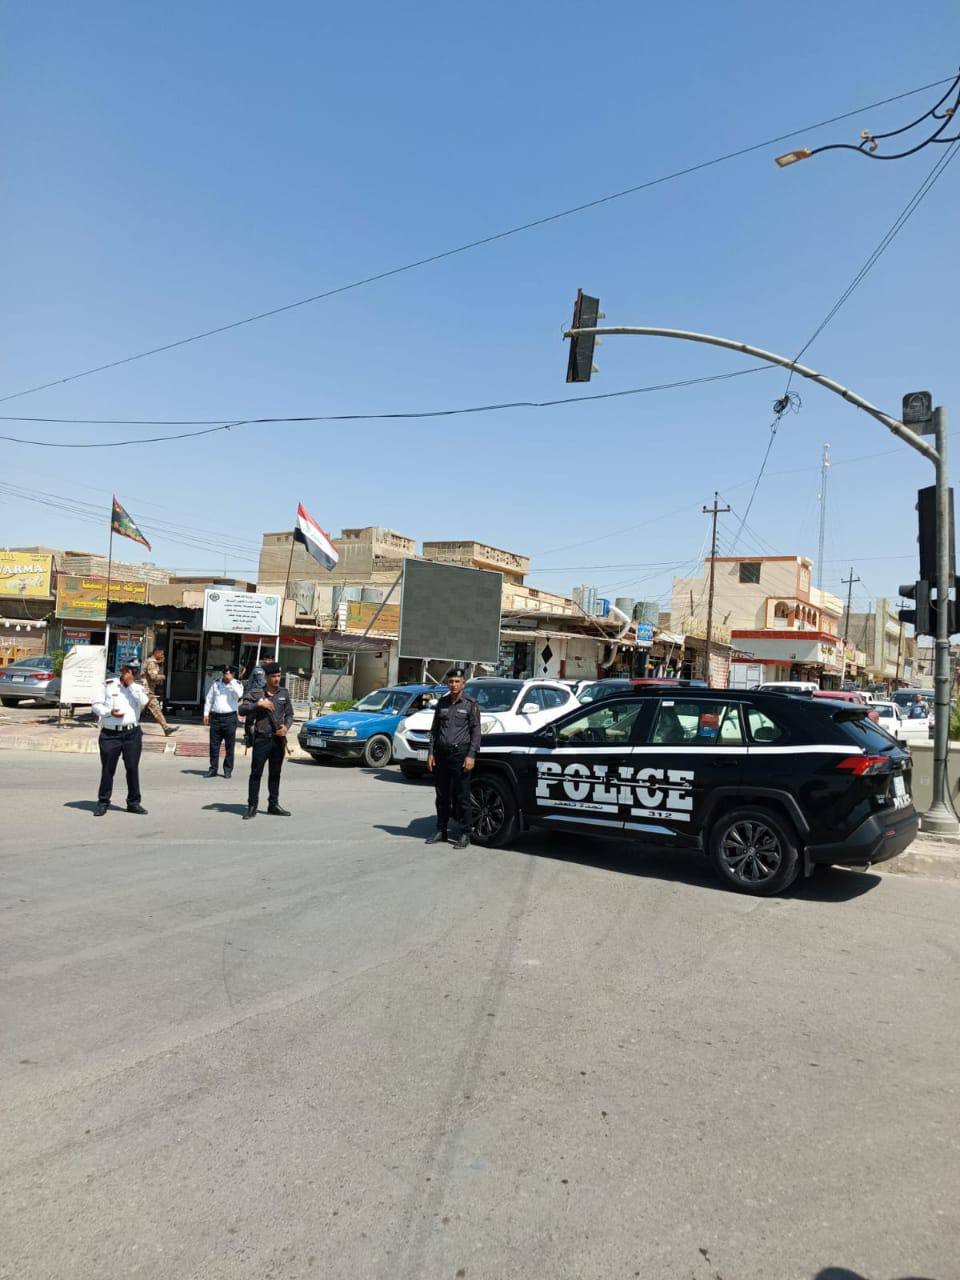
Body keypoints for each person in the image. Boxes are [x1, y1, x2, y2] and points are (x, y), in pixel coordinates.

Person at [427, 667, 481, 849]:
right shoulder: (442, 703)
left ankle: (465, 833)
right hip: (441, 754)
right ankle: (441, 830)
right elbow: (434, 730)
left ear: (463, 684)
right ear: (447, 683)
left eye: (457, 682)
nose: (454, 685)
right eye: (451, 682)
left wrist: (471, 755)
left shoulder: (471, 704)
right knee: (441, 795)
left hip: (460, 754)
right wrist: (431, 752)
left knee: (462, 796)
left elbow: (476, 732)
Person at [91, 660, 150, 817]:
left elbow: (144, 702)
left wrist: (131, 685)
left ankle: (133, 803)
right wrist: (109, 712)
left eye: (134, 671)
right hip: (110, 734)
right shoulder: (108, 685)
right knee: (108, 769)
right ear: (122, 669)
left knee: (132, 768)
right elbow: (95, 705)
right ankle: (103, 802)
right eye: (128, 670)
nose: (130, 673)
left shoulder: (137, 687)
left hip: (132, 733)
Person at [239, 661, 294, 819]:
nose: (277, 679)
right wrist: (258, 705)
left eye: (279, 676)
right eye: (274, 676)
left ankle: (273, 805)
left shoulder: (284, 693)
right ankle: (252, 806)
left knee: (275, 774)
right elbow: (242, 710)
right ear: (267, 677)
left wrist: (286, 727)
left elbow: (289, 714)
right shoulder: (257, 693)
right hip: (262, 740)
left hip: (278, 741)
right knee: (256, 774)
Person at [203, 666, 244, 778]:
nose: (225, 675)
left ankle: (227, 770)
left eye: (228, 673)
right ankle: (213, 769)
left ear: (233, 674)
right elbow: (209, 698)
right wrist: (206, 713)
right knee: (214, 745)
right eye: (224, 673)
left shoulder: (237, 684)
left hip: (229, 718)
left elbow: (239, 695)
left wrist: (231, 682)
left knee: (229, 746)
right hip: (216, 718)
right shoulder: (216, 683)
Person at [140, 647, 177, 736]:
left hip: (148, 691)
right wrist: (162, 677)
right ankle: (124, 725)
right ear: (156, 653)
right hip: (146, 690)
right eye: (161, 654)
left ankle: (166, 728)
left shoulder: (151, 661)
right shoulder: (152, 662)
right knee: (137, 709)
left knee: (156, 709)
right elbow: (153, 676)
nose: (162, 656)